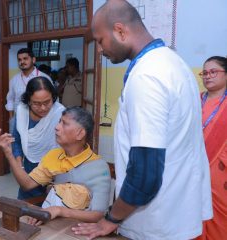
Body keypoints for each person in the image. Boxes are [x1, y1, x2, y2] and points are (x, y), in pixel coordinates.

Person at [72, 1, 212, 240]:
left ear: (120, 31)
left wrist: (110, 219)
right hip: (177, 211)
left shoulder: (146, 76)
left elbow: (145, 175)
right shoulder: (173, 62)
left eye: (100, 40)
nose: (99, 50)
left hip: (154, 223)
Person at [0, 106, 111, 225]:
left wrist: (59, 210)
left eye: (64, 124)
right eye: (59, 122)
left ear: (80, 134)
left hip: (78, 230)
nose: (57, 127)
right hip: (52, 224)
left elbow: (98, 215)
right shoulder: (54, 155)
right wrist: (9, 153)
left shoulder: (99, 167)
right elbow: (27, 184)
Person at [9, 76, 65, 201]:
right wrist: (19, 165)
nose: (43, 108)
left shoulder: (60, 113)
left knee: (50, 210)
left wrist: (56, 180)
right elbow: (16, 140)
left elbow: (67, 147)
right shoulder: (22, 112)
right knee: (26, 208)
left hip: (55, 171)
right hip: (29, 168)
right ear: (28, 100)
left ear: (53, 98)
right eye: (37, 104)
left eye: (47, 102)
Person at [195, 56, 227, 240]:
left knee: (218, 219)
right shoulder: (194, 99)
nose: (208, 76)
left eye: (213, 72)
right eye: (205, 73)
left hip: (219, 171)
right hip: (191, 168)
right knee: (192, 214)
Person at [5, 48, 51, 133]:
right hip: (18, 120)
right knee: (17, 145)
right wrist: (12, 118)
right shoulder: (14, 80)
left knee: (37, 146)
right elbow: (10, 99)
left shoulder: (44, 78)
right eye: (19, 60)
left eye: (25, 58)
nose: (22, 62)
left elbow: (52, 100)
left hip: (40, 120)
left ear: (33, 60)